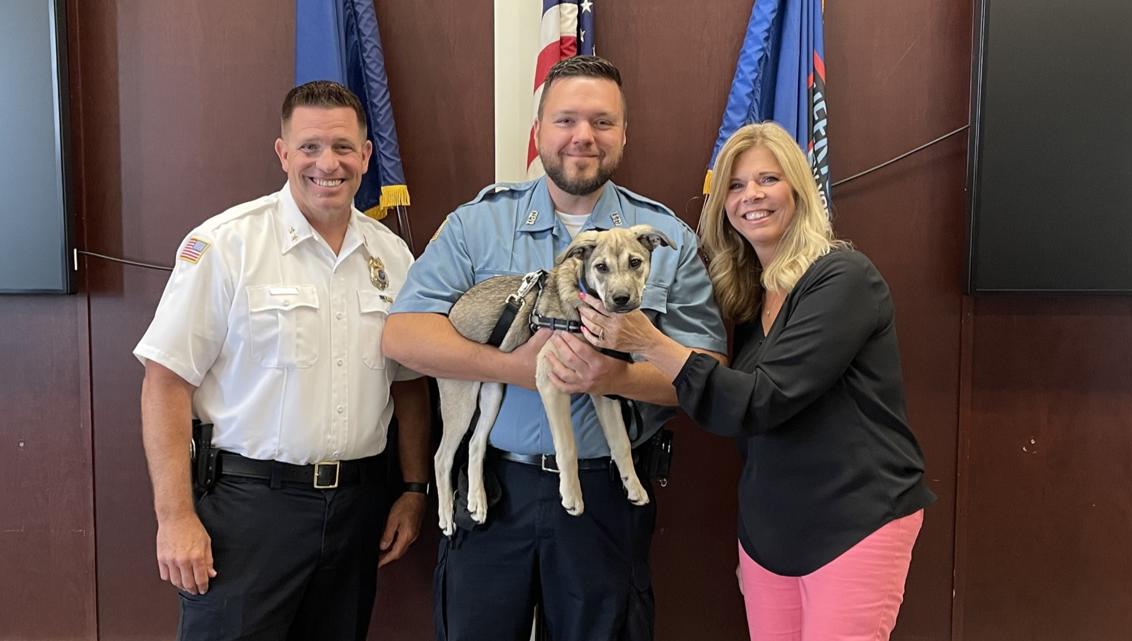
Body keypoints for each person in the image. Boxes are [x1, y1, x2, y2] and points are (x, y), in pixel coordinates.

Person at [382, 56, 728, 641]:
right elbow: (404, 336)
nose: (583, 136)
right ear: (539, 131)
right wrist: (511, 368)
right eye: (566, 120)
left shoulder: (666, 237)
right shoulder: (478, 224)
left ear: (623, 134)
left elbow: (709, 372)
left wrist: (612, 379)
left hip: (606, 495)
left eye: (601, 122)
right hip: (493, 490)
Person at [576, 121, 936, 641]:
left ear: (799, 190)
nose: (752, 196)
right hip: (772, 534)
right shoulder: (750, 299)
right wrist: (757, 546)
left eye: (768, 179)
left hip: (855, 523)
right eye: (737, 185)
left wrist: (647, 340)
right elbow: (735, 420)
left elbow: (763, 401)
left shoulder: (844, 278)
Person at [134, 80, 430, 641]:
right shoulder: (226, 245)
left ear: (367, 155)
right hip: (248, 514)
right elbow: (165, 381)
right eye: (310, 147)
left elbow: (409, 384)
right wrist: (174, 518)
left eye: (344, 147)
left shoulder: (392, 256)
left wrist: (414, 491)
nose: (328, 163)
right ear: (283, 153)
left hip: (357, 510)